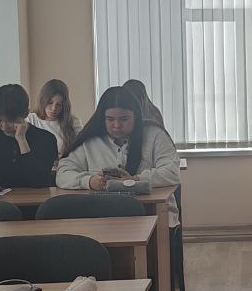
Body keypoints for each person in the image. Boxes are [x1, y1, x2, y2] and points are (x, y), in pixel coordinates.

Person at [56, 86, 181, 226]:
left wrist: (134, 180)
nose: (117, 125)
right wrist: (90, 181)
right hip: (103, 219)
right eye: (110, 119)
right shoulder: (89, 141)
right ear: (102, 118)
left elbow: (172, 172)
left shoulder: (155, 135)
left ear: (136, 116)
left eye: (124, 119)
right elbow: (63, 174)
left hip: (155, 216)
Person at [0, 84, 58, 188]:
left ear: (26, 113)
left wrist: (21, 140)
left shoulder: (46, 139)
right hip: (3, 197)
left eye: (10, 120)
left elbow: (38, 180)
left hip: (37, 197)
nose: (4, 126)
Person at [28, 79, 82, 156]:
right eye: (50, 103)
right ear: (43, 101)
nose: (53, 109)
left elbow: (81, 149)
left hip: (64, 162)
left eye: (59, 104)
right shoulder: (31, 119)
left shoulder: (73, 121)